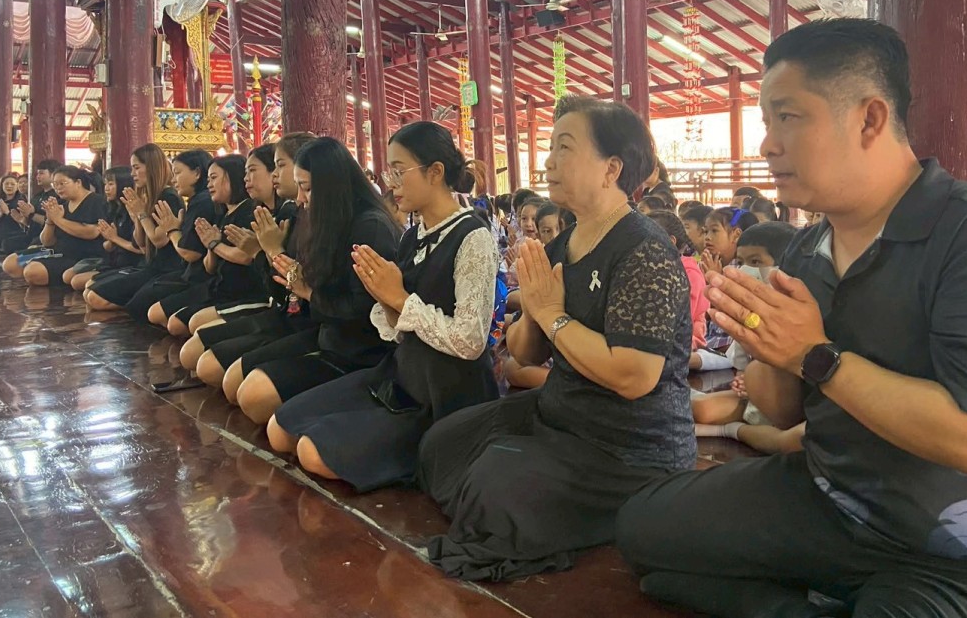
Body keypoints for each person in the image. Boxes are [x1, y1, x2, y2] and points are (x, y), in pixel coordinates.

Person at [617, 19, 967, 618]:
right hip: (832, 502)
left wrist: (816, 356)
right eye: (766, 121)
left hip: (964, 549)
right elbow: (785, 411)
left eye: (787, 117)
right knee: (642, 527)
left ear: (869, 119)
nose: (767, 145)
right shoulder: (807, 250)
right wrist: (766, 346)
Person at [418, 96, 692, 582]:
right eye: (550, 147)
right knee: (442, 445)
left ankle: (626, 506)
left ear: (611, 169)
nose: (548, 161)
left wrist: (551, 313)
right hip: (561, 414)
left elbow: (634, 377)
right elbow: (526, 352)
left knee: (495, 487)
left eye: (564, 147)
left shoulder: (644, 249)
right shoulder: (565, 242)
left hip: (629, 446)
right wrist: (535, 311)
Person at [266, 121, 499, 492]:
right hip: (402, 374)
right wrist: (387, 300)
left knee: (312, 452)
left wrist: (399, 299)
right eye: (389, 171)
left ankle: (431, 451)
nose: (391, 183)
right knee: (281, 428)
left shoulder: (473, 237)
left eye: (399, 171)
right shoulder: (412, 236)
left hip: (445, 392)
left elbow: (470, 341)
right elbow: (397, 326)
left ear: (435, 172)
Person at [218, 137, 401, 424]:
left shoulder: (370, 227)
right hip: (324, 333)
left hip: (359, 352)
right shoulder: (314, 217)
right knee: (234, 385)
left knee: (253, 398)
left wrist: (305, 289)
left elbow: (364, 313)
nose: (301, 199)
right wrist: (276, 263)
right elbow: (291, 294)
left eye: (307, 188)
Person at [181, 132, 316, 382]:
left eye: (279, 166)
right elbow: (213, 266)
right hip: (279, 306)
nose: (275, 175)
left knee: (211, 366)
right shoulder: (270, 212)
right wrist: (215, 245)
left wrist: (262, 251)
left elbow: (282, 279)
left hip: (277, 307)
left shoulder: (289, 214)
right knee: (193, 355)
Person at [692, 221, 803, 453]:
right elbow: (741, 364)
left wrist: (755, 382)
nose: (745, 270)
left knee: (795, 440)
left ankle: (732, 431)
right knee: (700, 409)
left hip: (789, 405)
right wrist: (744, 382)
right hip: (755, 398)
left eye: (756, 262)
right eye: (741, 262)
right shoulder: (748, 310)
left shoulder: (797, 311)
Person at [84, 147, 210, 318]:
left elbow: (159, 240)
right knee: (89, 291)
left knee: (96, 298)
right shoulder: (150, 197)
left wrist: (142, 214)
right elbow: (141, 244)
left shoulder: (169, 197)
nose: (133, 173)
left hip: (167, 268)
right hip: (150, 264)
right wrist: (137, 216)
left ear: (151, 167)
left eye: (136, 168)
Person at [149, 154, 253, 338]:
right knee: (161, 317)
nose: (209, 184)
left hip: (239, 292)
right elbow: (209, 267)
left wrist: (213, 243)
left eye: (214, 178)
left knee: (177, 325)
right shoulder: (223, 214)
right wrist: (211, 246)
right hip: (216, 286)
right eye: (208, 179)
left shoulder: (248, 211)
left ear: (234, 176)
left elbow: (245, 256)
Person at [20, 166, 107, 287]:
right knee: (14, 263)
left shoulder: (96, 201)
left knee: (32, 272)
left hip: (84, 256)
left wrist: (58, 219)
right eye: (55, 184)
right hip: (57, 252)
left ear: (78, 182)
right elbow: (47, 242)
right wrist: (50, 220)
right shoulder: (61, 205)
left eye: (62, 183)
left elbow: (91, 232)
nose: (58, 188)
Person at [66, 166, 141, 291]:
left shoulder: (133, 212)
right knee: (69, 277)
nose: (106, 188)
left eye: (111, 184)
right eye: (105, 184)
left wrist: (114, 238)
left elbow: (140, 249)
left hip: (131, 263)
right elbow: (107, 246)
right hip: (112, 261)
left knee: (78, 282)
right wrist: (111, 240)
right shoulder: (113, 209)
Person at [645, 209, 709, 351]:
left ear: (671, 242)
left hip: (687, 345)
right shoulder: (650, 269)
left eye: (646, 240)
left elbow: (681, 323)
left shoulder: (689, 274)